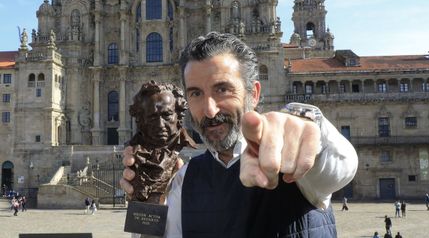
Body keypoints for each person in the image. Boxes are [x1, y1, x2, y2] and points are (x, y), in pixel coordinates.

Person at [120, 32, 358, 237]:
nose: (210, 109)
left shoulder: (294, 162)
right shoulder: (183, 179)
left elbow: (341, 167)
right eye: (195, 94)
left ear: (253, 94)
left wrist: (309, 131)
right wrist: (149, 203)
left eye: (222, 89)